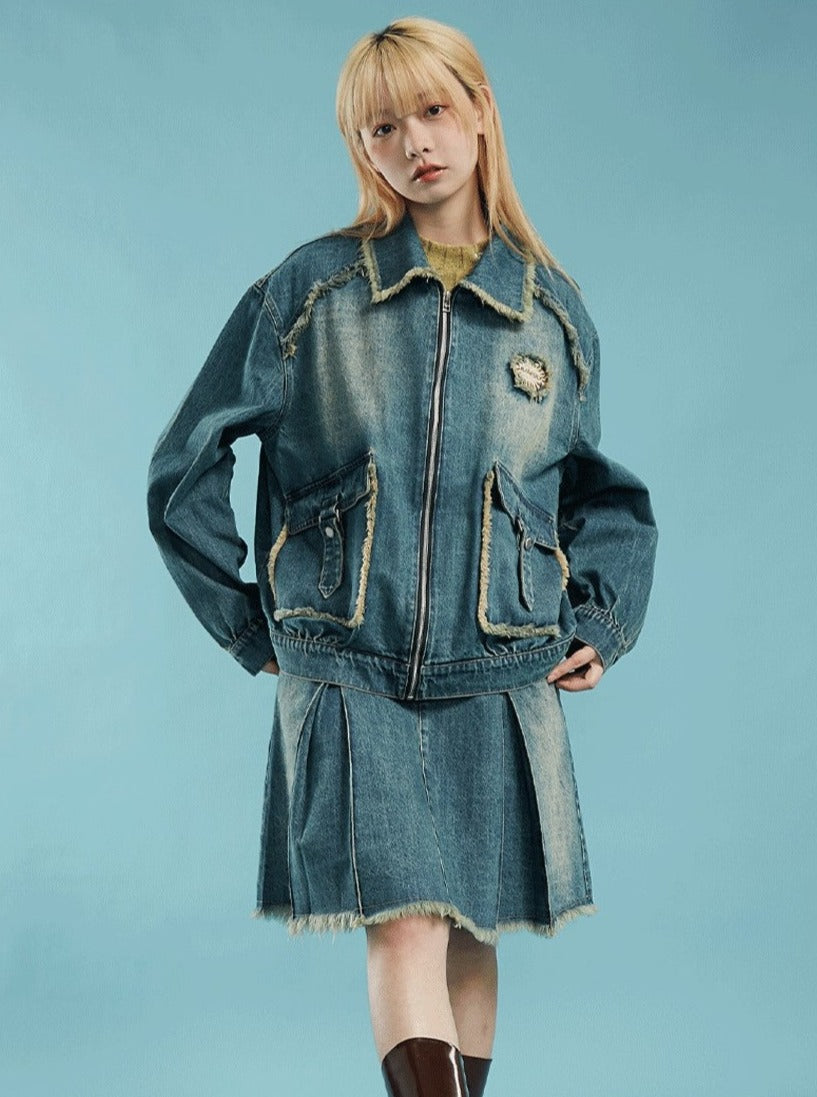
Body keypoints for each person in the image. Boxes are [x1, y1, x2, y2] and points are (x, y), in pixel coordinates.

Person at [146, 16, 658, 1097]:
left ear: (479, 111)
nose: (414, 142)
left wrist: (600, 621)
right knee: (405, 923)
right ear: (360, 148)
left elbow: (600, 492)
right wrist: (249, 622)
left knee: (470, 927)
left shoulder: (550, 312)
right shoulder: (308, 293)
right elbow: (184, 466)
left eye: (432, 110)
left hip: (501, 667)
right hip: (351, 665)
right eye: (382, 127)